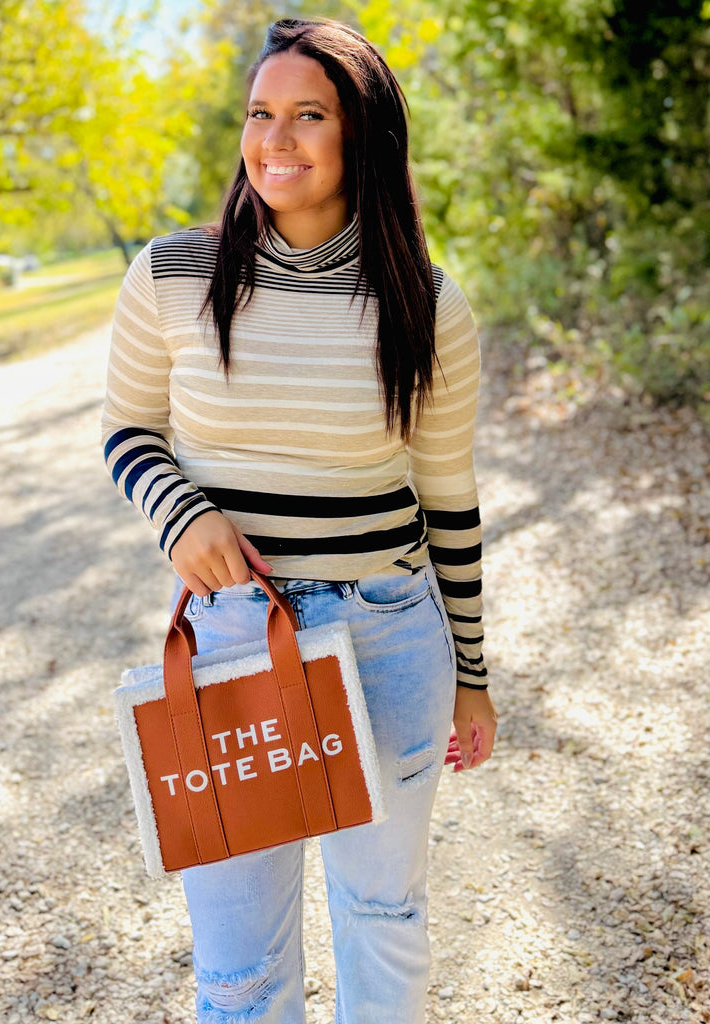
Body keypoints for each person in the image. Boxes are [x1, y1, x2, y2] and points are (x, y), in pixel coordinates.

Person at [101, 17, 498, 1024]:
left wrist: (478, 679)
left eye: (308, 116)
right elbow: (127, 429)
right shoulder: (172, 276)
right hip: (234, 638)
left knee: (383, 917)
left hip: (392, 635)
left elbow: (448, 498)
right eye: (261, 114)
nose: (276, 140)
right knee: (238, 972)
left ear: (361, 133)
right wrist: (178, 511)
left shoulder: (426, 302)